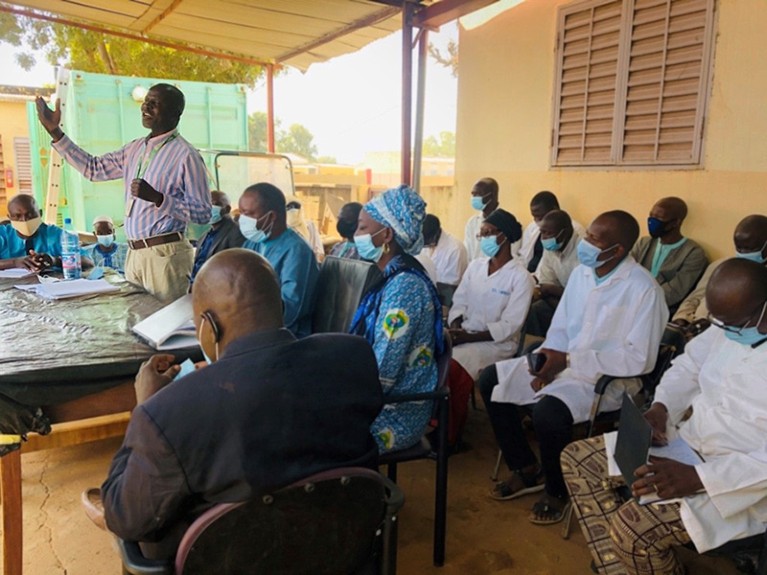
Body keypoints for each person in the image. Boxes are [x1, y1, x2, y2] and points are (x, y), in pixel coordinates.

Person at [98, 249, 383, 559]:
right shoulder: (354, 357)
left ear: (208, 325)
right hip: (338, 551)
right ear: (281, 308)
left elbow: (125, 516)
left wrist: (145, 406)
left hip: (233, 560)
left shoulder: (167, 413)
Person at [562, 258, 767, 575]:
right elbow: (689, 366)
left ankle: (628, 557)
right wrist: (662, 407)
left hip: (741, 484)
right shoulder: (729, 326)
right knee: (578, 460)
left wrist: (700, 478)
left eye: (734, 324)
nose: (725, 331)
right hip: (687, 444)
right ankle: (621, 566)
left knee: (633, 532)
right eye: (720, 321)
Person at [480, 210, 668, 524]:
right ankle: (526, 468)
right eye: (589, 234)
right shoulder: (582, 274)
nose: (586, 242)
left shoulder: (644, 290)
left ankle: (557, 490)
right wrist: (546, 361)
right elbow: (562, 326)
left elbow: (640, 359)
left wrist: (567, 362)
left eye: (594, 238)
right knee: (490, 380)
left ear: (617, 250)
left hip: (609, 380)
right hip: (562, 363)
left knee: (547, 413)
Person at [36, 84, 211, 302]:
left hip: (165, 255)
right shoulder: (135, 148)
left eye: (154, 103)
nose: (145, 107)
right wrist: (55, 132)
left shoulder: (186, 155)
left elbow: (203, 213)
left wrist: (160, 199)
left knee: (163, 325)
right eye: (146, 101)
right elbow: (94, 169)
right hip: (134, 253)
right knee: (135, 324)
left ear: (175, 112)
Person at [350, 185, 444, 453]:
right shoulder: (394, 276)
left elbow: (384, 371)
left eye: (362, 228)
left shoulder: (405, 287)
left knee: (309, 431)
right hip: (382, 401)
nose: (356, 236)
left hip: (396, 413)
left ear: (386, 234)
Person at [447, 209, 534, 446]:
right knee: (430, 358)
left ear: (503, 236)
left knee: (455, 366)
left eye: (488, 233)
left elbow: (510, 325)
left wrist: (467, 338)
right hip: (464, 335)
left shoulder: (520, 277)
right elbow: (460, 301)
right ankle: (435, 421)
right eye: (481, 234)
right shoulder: (476, 266)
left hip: (496, 343)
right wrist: (455, 324)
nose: (483, 239)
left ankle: (450, 436)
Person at [239, 182, 318, 338]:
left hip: (285, 336)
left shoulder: (297, 251)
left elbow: (291, 309)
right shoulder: (253, 243)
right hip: (251, 328)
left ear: (272, 216)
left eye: (248, 214)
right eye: (241, 213)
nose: (242, 220)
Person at [672, 214, 767, 337]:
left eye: (749, 248)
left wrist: (713, 327)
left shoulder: (763, 279)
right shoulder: (721, 265)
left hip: (729, 336)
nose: (742, 252)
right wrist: (682, 319)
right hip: (693, 329)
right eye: (739, 247)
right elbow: (695, 297)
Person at [631, 197, 708, 311]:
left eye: (659, 218)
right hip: (631, 302)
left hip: (663, 310)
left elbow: (676, 291)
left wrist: (639, 302)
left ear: (676, 222)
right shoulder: (644, 243)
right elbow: (627, 273)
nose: (652, 221)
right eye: (651, 216)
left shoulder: (693, 253)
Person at [526, 210, 582, 337]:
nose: (544, 238)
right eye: (542, 233)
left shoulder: (582, 250)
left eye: (549, 233)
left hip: (581, 307)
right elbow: (546, 285)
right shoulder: (551, 248)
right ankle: (540, 347)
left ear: (565, 232)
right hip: (558, 302)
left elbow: (581, 295)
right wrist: (561, 310)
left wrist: (552, 290)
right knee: (534, 310)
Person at [189, 191, 245, 284]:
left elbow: (237, 268)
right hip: (197, 285)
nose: (209, 207)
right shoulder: (204, 236)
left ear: (227, 209)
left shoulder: (236, 232)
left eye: (214, 204)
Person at [0, 194, 65, 272]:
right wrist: (15, 262)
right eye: (17, 216)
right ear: (10, 217)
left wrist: (55, 261)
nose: (24, 220)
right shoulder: (2, 235)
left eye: (30, 215)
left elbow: (83, 259)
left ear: (40, 214)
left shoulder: (56, 234)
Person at [422, 213, 468, 305]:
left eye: (427, 242)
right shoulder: (423, 245)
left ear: (436, 234)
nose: (425, 245)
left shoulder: (455, 249)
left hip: (448, 301)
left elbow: (450, 288)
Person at [465, 177, 500, 261]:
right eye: (473, 194)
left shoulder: (507, 222)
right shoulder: (472, 222)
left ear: (491, 195)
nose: (474, 198)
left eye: (478, 194)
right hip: (475, 271)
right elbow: (468, 254)